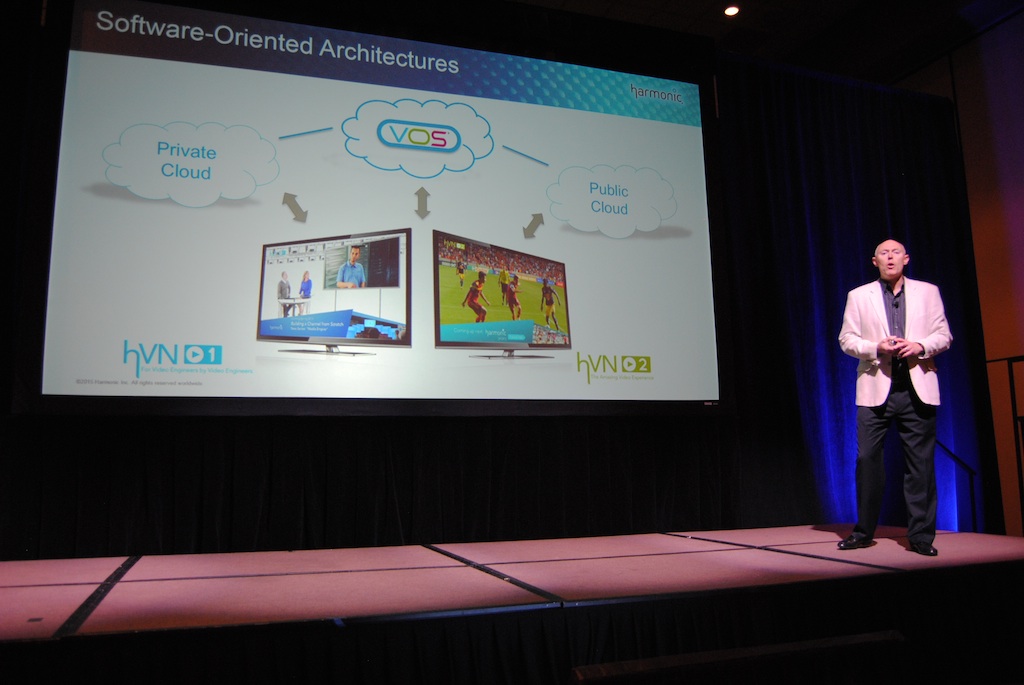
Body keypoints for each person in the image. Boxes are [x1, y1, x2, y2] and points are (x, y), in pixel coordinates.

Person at [837, 239, 952, 556]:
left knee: (920, 465)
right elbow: (846, 339)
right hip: (875, 387)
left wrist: (920, 346)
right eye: (883, 254)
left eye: (895, 252)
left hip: (917, 386)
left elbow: (943, 335)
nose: (890, 257)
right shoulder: (859, 295)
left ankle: (921, 537)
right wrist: (876, 347)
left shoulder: (928, 292)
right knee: (867, 460)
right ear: (874, 261)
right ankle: (863, 532)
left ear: (906, 258)